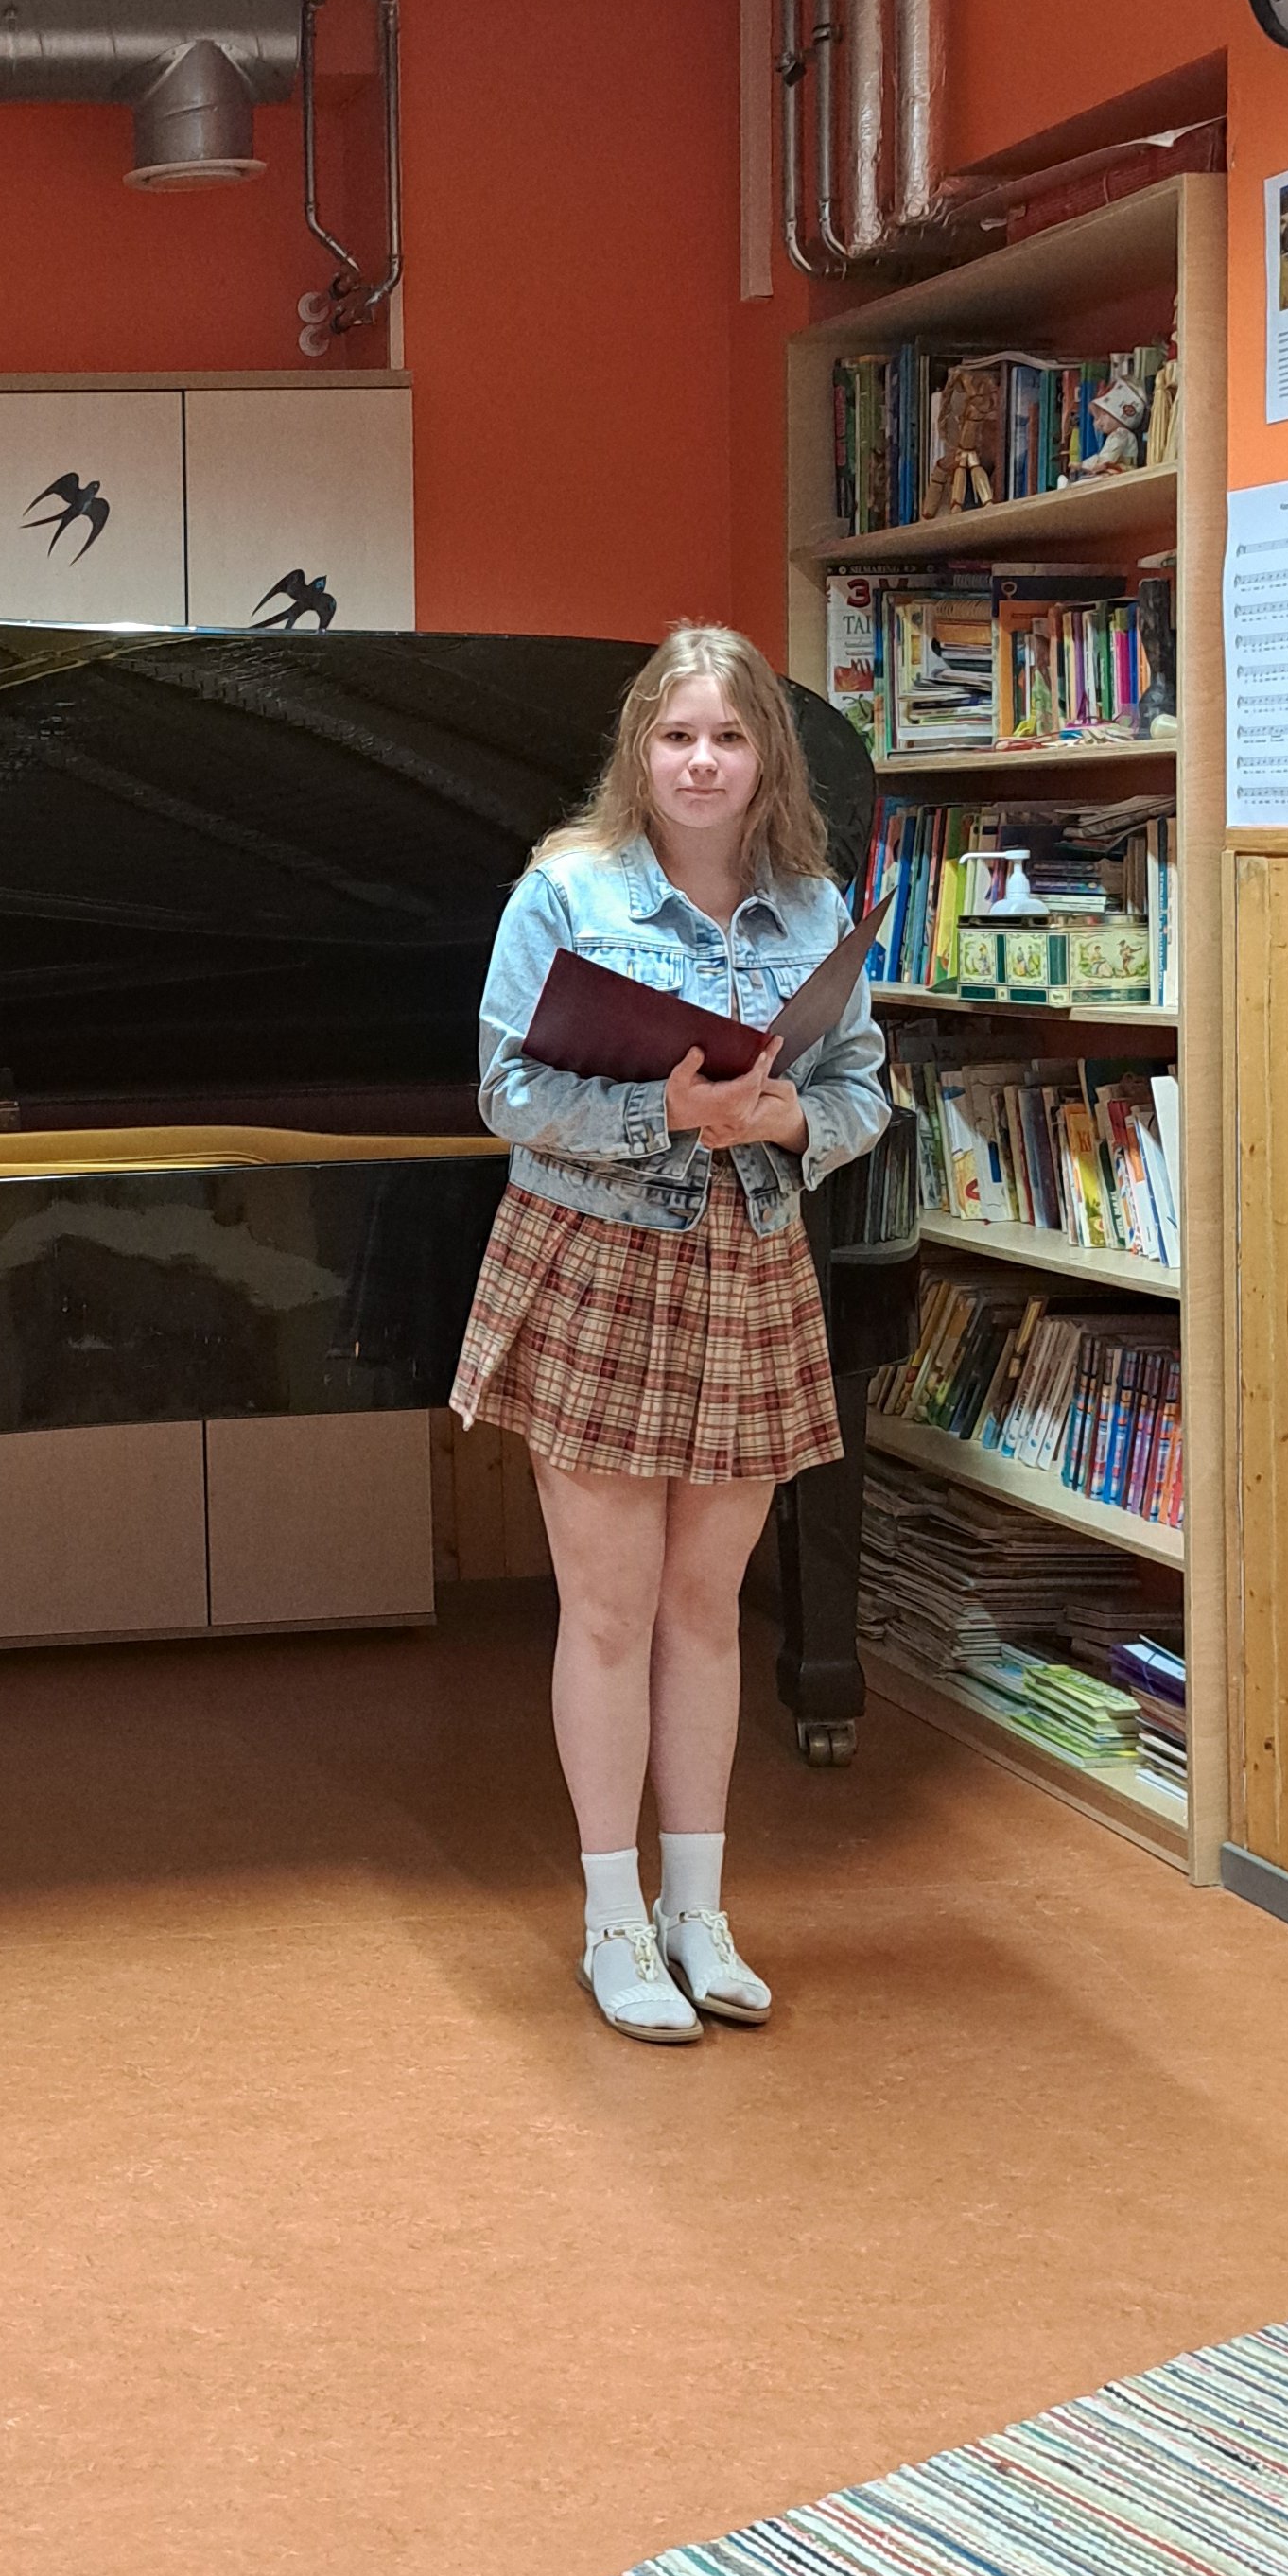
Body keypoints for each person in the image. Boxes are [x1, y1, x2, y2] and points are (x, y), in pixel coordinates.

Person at [451, 624, 888, 2046]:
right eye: (679, 735)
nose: (703, 762)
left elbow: (864, 1088)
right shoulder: (566, 889)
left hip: (750, 1267)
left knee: (706, 1608)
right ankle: (613, 1922)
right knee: (610, 1611)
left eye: (731, 738)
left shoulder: (815, 907)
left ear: (767, 762)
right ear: (641, 750)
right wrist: (666, 1113)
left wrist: (797, 1118)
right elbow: (507, 1094)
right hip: (594, 1262)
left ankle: (700, 1914)